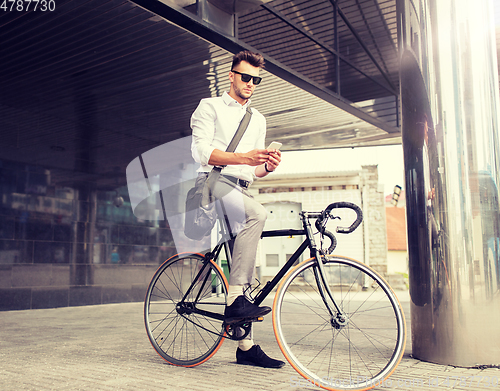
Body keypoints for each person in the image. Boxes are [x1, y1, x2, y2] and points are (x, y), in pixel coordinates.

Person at [190, 50, 284, 368]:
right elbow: (201, 152)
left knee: (245, 270)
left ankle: (245, 347)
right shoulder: (210, 107)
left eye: (256, 80)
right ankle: (235, 300)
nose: (251, 84)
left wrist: (266, 166)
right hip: (213, 183)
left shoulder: (257, 119)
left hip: (239, 189)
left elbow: (253, 173)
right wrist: (245, 158)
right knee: (257, 214)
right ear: (231, 75)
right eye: (246, 77)